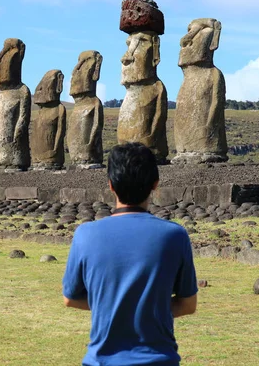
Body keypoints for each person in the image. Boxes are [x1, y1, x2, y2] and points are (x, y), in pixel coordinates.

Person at [62, 142, 198, 366]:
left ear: (110, 185)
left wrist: (112, 305)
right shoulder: (175, 235)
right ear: (155, 184)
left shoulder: (85, 234)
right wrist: (148, 309)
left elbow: (70, 298)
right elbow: (188, 305)